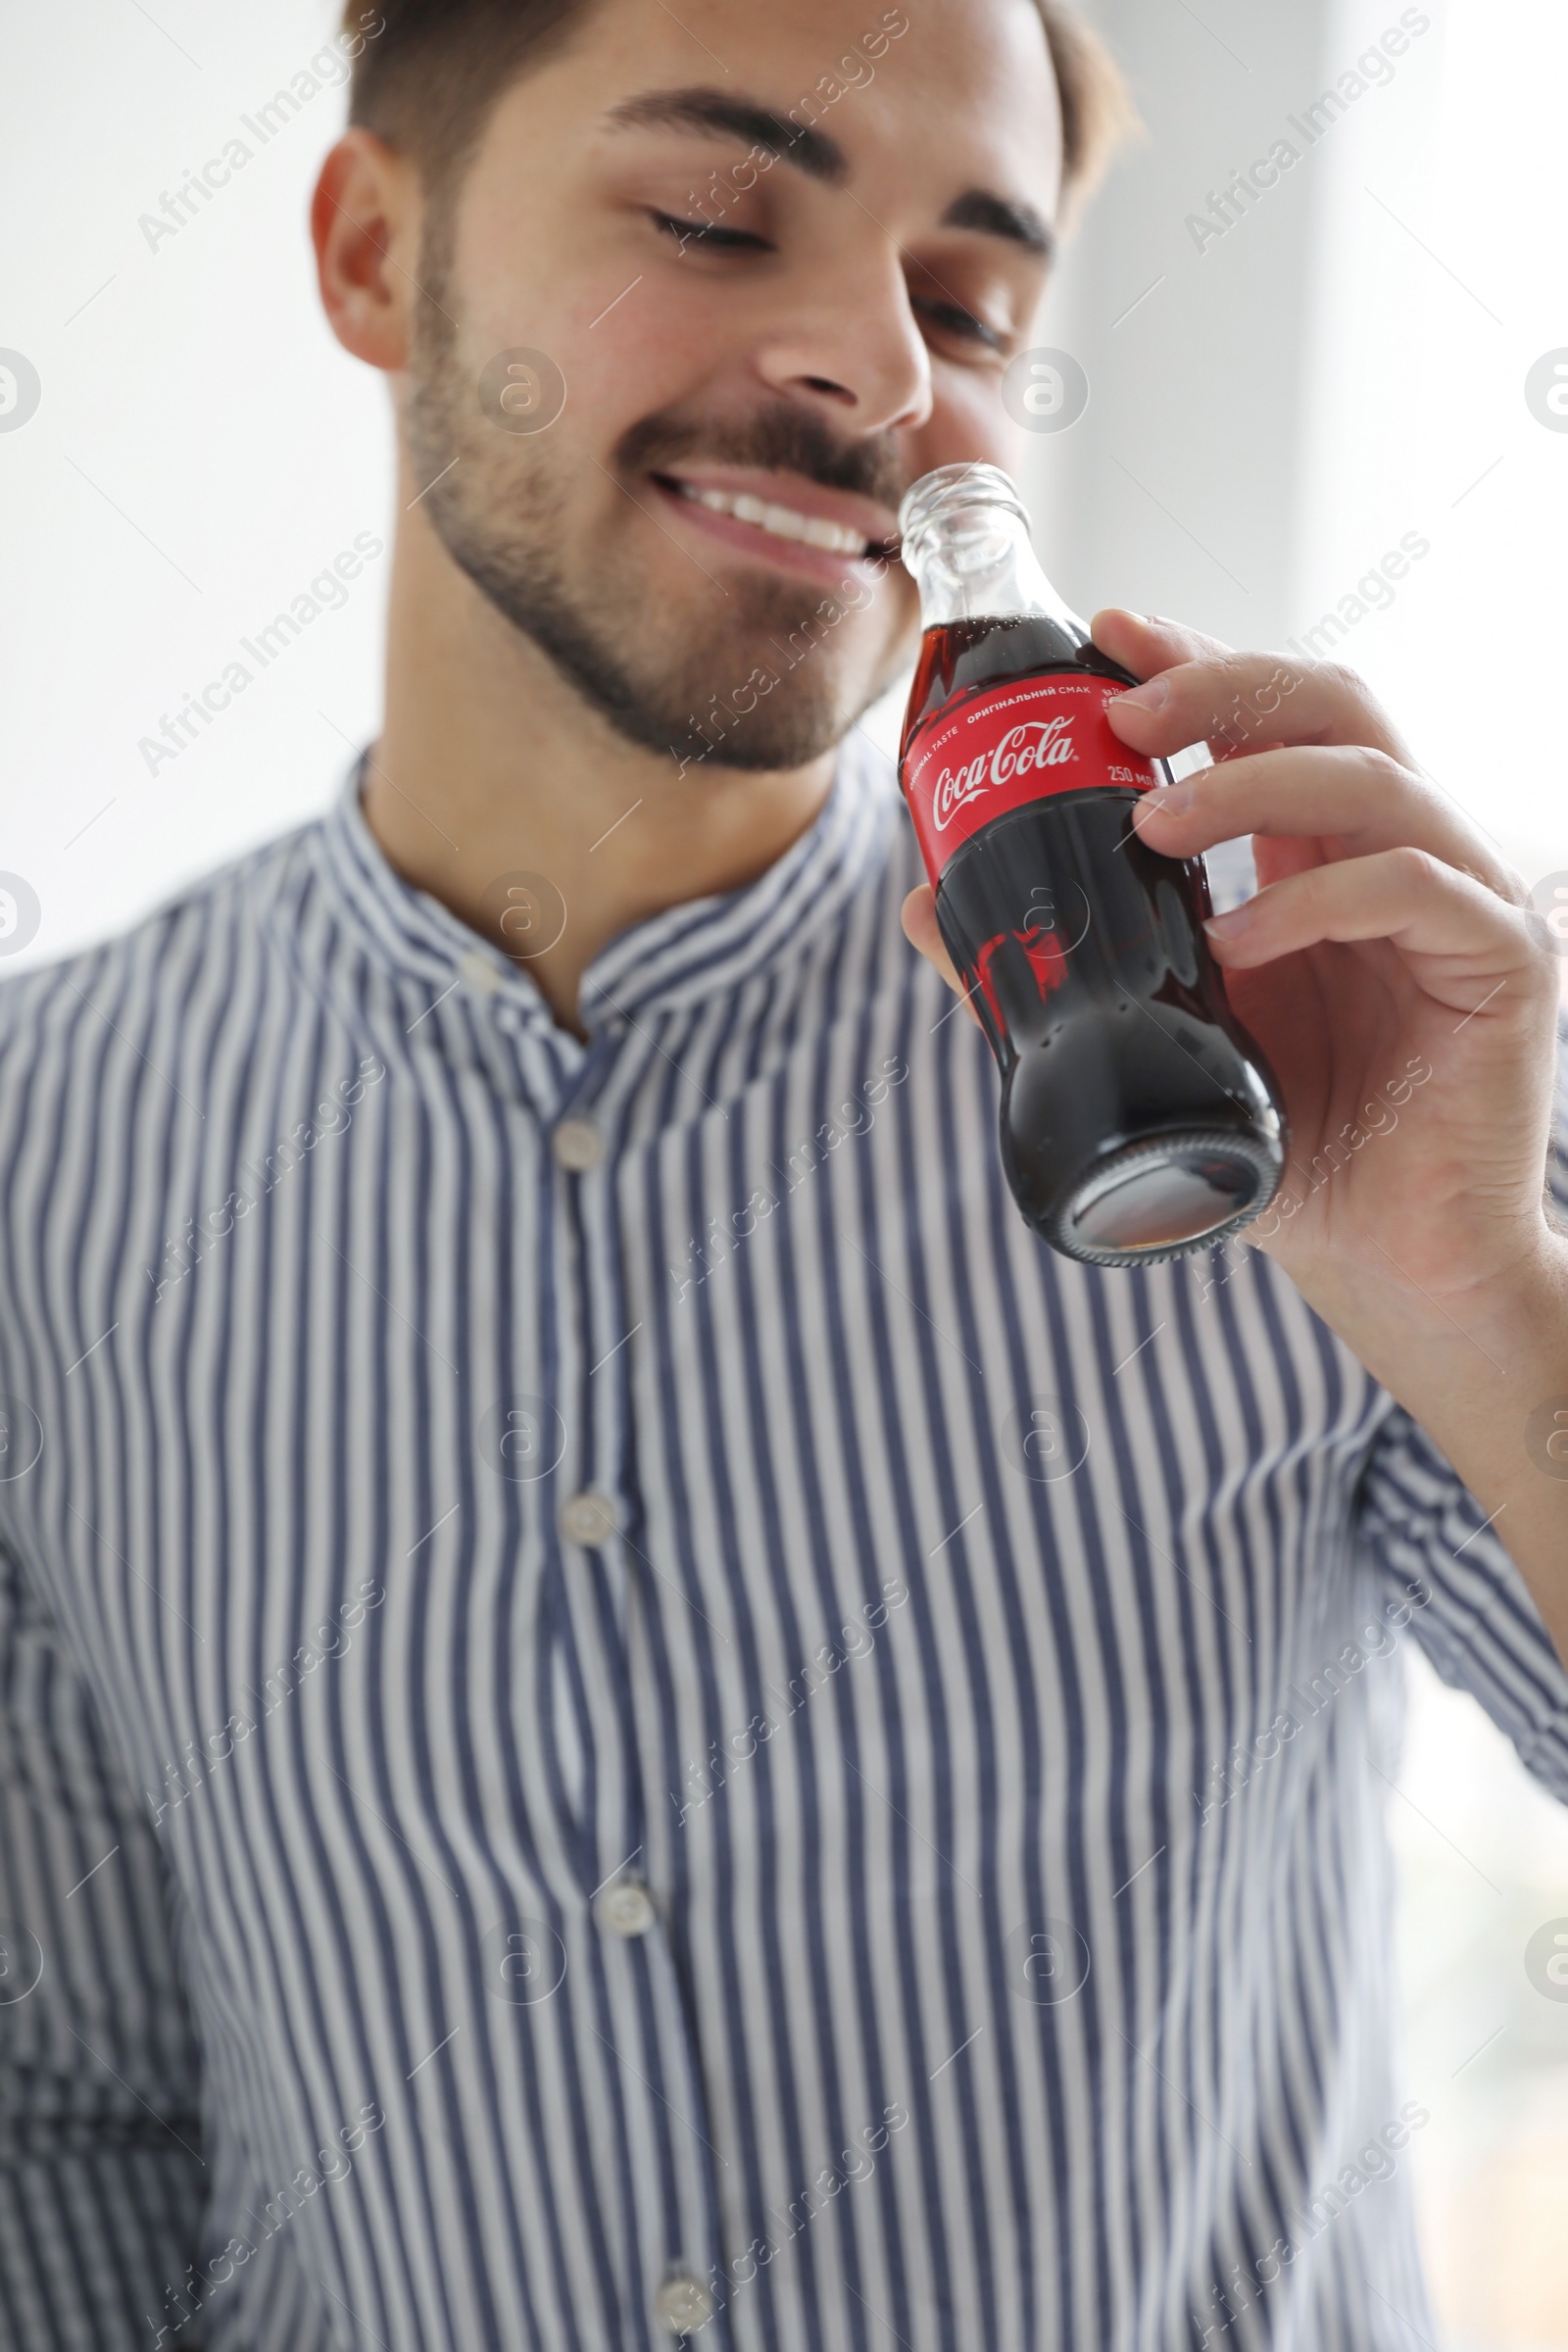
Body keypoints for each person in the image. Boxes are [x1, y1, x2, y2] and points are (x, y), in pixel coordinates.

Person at [1, 1, 1564, 2344]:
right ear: (368, 252)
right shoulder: (43, 1161)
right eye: (717, 216)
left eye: (969, 303)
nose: (881, 371)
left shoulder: (1308, 1046)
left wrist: (1467, 1285)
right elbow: (72, 2121)